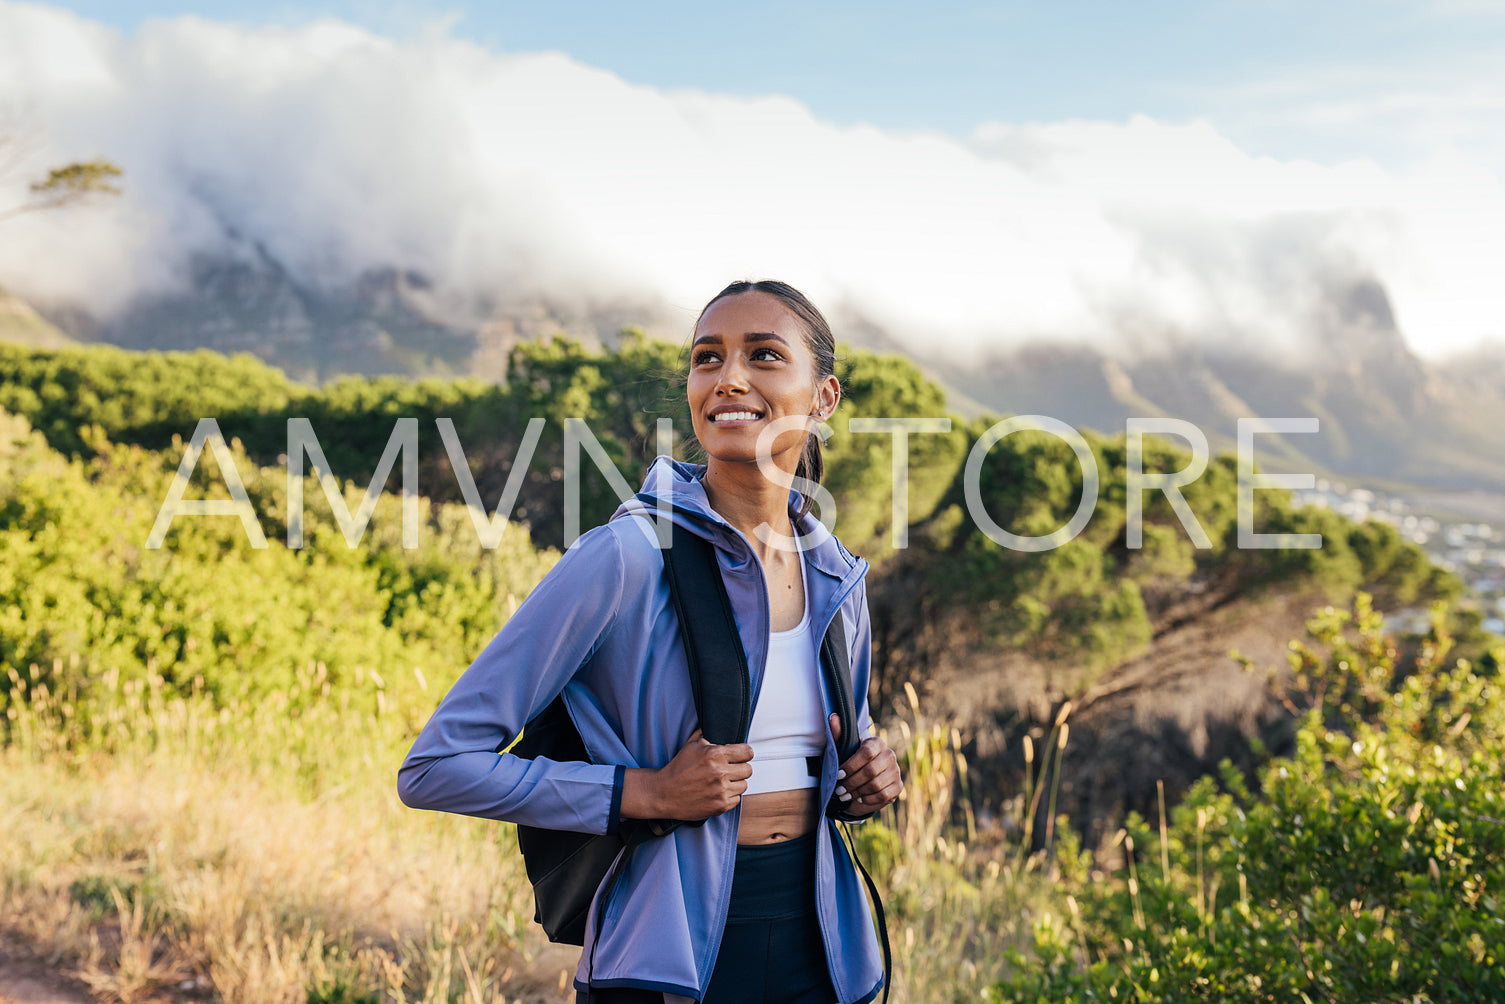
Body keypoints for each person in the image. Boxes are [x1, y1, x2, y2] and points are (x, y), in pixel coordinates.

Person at [398, 279, 903, 1004]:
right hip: (666, 956)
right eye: (707, 358)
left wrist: (860, 780)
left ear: (823, 397)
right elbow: (435, 767)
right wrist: (642, 790)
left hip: (821, 947)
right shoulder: (626, 556)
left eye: (763, 355)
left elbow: (809, 756)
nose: (728, 378)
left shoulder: (835, 576)